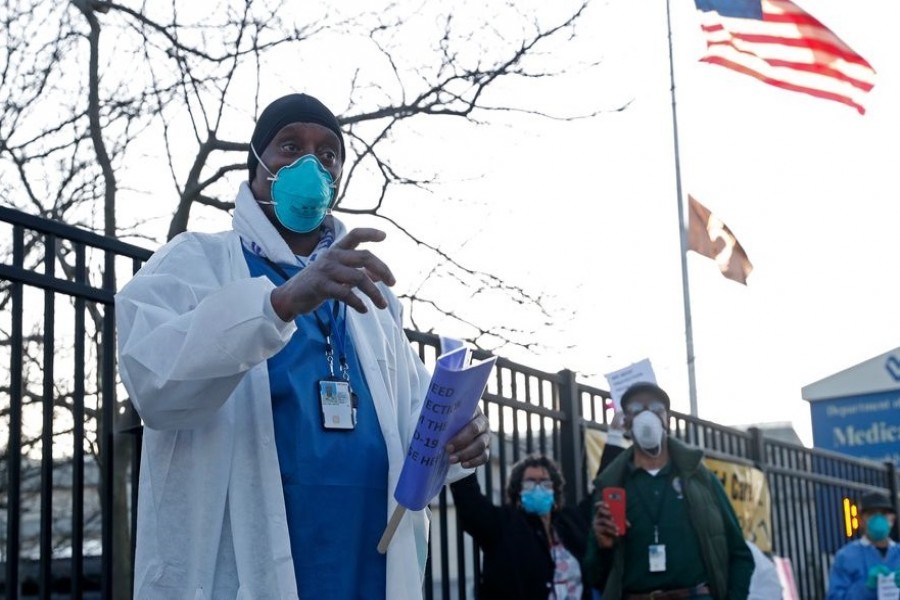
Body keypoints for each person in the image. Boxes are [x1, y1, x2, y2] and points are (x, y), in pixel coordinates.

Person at [116, 93, 491, 600]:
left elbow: (416, 426)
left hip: (368, 567)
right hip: (241, 574)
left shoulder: (373, 299)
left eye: (327, 154)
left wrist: (461, 437)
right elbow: (152, 380)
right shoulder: (195, 262)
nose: (311, 165)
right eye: (290, 147)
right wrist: (280, 303)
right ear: (256, 165)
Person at [584, 382, 754, 600]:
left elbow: (740, 554)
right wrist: (602, 548)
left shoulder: (700, 479)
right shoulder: (612, 487)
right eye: (636, 409)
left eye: (656, 408)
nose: (647, 416)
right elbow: (593, 576)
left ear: (668, 419)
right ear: (625, 422)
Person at [450, 454, 593, 600]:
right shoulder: (503, 524)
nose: (538, 489)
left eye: (545, 483)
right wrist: (461, 459)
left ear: (554, 490)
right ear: (518, 492)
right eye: (530, 483)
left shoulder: (571, 522)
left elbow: (599, 494)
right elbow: (471, 504)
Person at [825, 491, 900, 600]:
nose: (878, 519)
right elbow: (834, 597)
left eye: (883, 514)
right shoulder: (846, 556)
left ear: (892, 519)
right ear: (861, 520)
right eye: (872, 514)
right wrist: (866, 588)